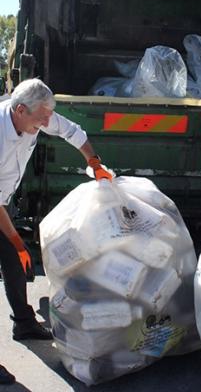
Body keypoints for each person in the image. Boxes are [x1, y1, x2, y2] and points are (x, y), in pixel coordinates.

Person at [0, 78, 113, 384]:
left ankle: (23, 323)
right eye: (42, 118)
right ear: (20, 110)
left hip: (2, 200)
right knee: (15, 250)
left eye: (49, 116)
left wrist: (94, 161)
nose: (47, 122)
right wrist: (18, 241)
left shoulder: (35, 116)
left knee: (12, 264)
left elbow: (73, 132)